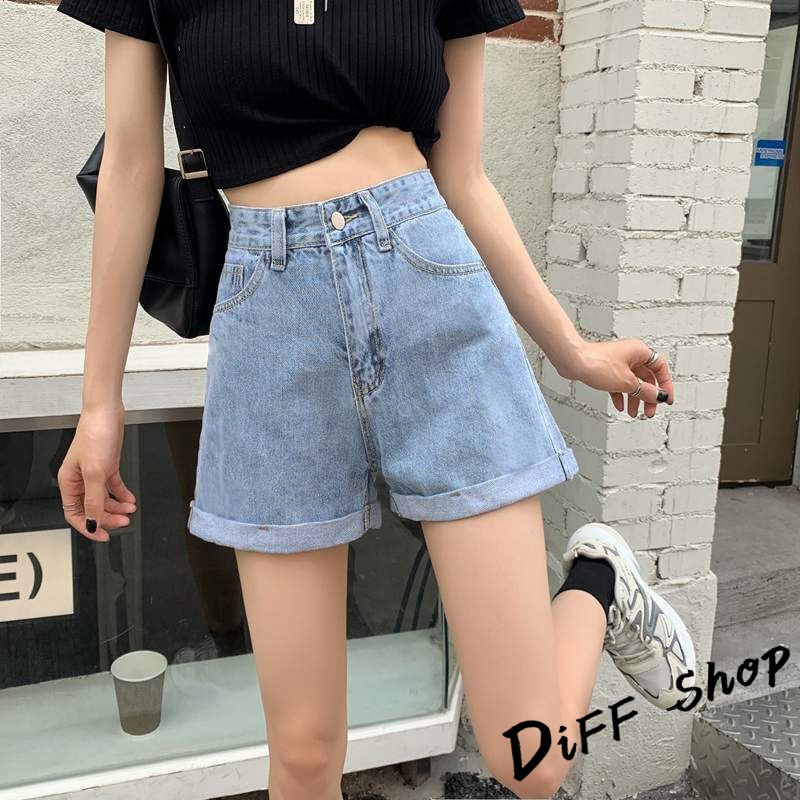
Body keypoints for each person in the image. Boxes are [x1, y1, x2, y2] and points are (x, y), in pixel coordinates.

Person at [54, 1, 696, 797]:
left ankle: (598, 581)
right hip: (270, 325)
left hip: (428, 287)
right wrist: (100, 402)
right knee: (302, 753)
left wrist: (571, 350)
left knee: (528, 761)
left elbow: (463, 176)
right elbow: (128, 167)